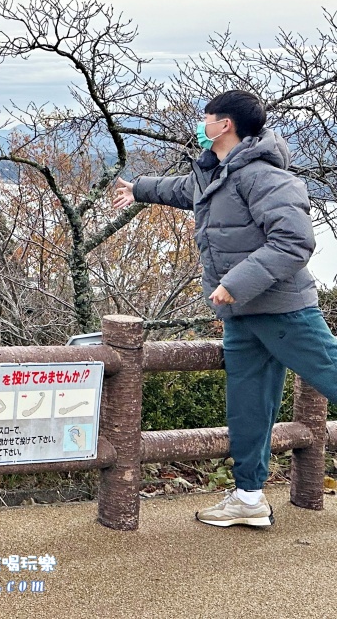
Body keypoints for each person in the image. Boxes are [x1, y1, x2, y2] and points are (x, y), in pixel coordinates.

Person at [112, 90, 337, 528]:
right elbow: (183, 190)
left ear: (225, 124)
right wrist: (138, 188)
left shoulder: (265, 177)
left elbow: (295, 243)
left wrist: (235, 284)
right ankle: (249, 498)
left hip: (282, 310)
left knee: (332, 375)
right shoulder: (215, 173)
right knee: (247, 408)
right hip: (242, 317)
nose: (201, 124)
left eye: (206, 117)